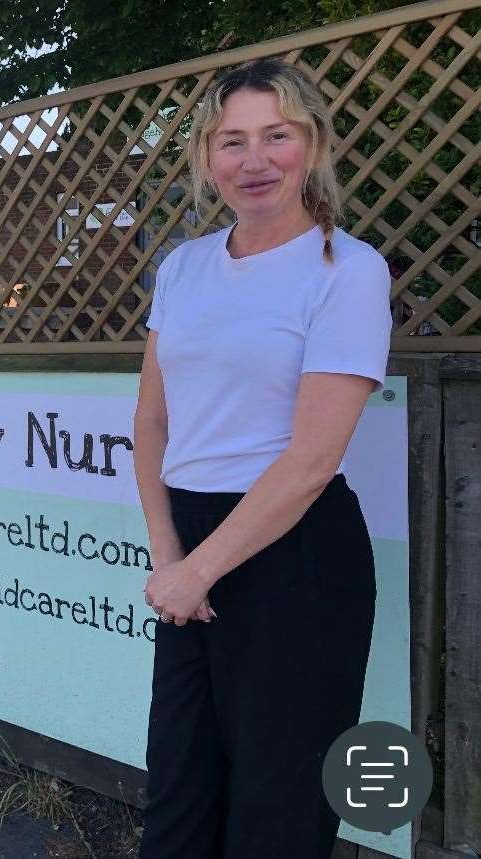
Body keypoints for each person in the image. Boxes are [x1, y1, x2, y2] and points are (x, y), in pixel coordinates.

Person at [134, 58, 392, 857]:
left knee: (277, 811)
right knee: (178, 791)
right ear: (207, 158)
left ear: (310, 142)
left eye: (276, 135)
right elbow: (150, 426)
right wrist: (171, 557)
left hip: (296, 553)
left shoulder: (347, 271)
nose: (254, 160)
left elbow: (312, 460)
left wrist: (198, 571)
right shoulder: (181, 268)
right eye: (231, 140)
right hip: (191, 551)